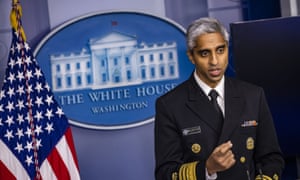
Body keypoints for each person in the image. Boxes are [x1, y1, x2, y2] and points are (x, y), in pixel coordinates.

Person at [154, 17, 285, 180]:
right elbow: (165, 173)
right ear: (191, 56)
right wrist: (207, 168)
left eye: (220, 50)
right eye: (204, 53)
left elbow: (271, 159)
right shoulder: (170, 105)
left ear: (227, 49)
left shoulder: (253, 95)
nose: (214, 61)